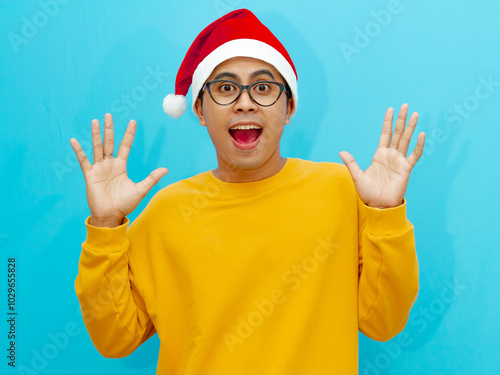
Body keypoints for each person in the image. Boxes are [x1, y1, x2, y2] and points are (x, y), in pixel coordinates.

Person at [72, 9, 425, 374]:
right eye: (226, 88)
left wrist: (385, 213)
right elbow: (115, 338)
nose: (245, 102)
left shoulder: (338, 191)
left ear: (288, 107)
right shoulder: (167, 212)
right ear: (199, 109)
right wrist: (105, 225)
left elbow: (383, 323)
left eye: (263, 87)